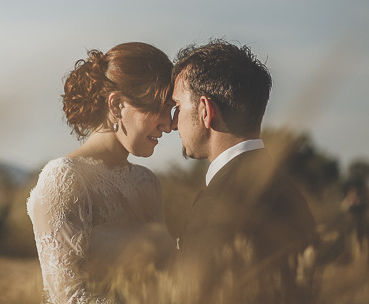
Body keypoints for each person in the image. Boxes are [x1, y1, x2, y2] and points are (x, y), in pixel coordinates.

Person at [171, 39, 318, 303]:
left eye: (178, 107)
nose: (173, 123)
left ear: (205, 111)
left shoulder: (218, 206)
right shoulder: (290, 193)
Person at [27, 42, 175, 304]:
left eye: (170, 110)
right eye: (157, 108)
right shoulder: (64, 178)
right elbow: (69, 296)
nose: (168, 124)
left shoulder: (147, 183)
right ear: (117, 105)